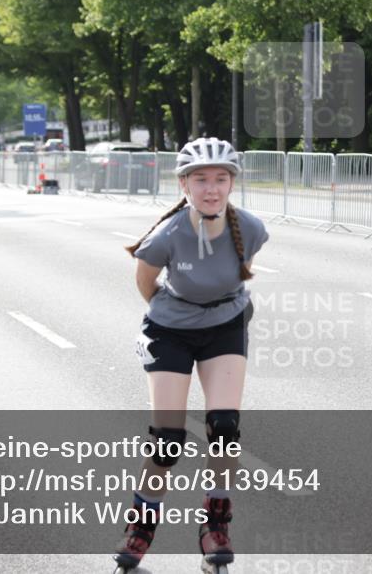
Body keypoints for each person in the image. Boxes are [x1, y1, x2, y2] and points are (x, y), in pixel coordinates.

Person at [117, 137, 269, 570]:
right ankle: (140, 527)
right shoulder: (168, 235)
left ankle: (215, 524)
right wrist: (176, 317)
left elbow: (234, 279)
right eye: (201, 179)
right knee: (167, 442)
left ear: (232, 184)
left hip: (224, 326)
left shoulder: (251, 229)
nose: (211, 188)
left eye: (221, 179)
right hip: (170, 331)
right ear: (183, 184)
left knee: (224, 428)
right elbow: (146, 284)